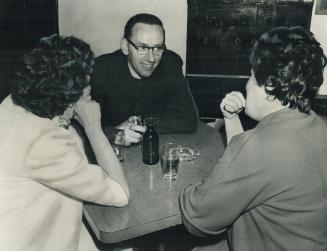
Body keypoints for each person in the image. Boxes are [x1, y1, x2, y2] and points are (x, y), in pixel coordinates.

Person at [180, 26, 327, 251]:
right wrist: (231, 119)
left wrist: (186, 189)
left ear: (269, 85)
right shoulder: (318, 126)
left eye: (250, 75)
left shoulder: (261, 146)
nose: (247, 84)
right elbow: (257, 169)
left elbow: (197, 218)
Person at [0, 34, 130, 251]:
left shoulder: (12, 103)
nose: (90, 90)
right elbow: (120, 193)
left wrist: (67, 115)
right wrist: (92, 127)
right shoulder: (47, 144)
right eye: (86, 84)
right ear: (66, 95)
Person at [91, 13, 198, 146]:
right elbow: (84, 122)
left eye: (158, 48)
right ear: (125, 46)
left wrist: (139, 123)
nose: (151, 58)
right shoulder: (102, 68)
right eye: (142, 48)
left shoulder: (170, 63)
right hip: (112, 151)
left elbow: (188, 119)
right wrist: (114, 134)